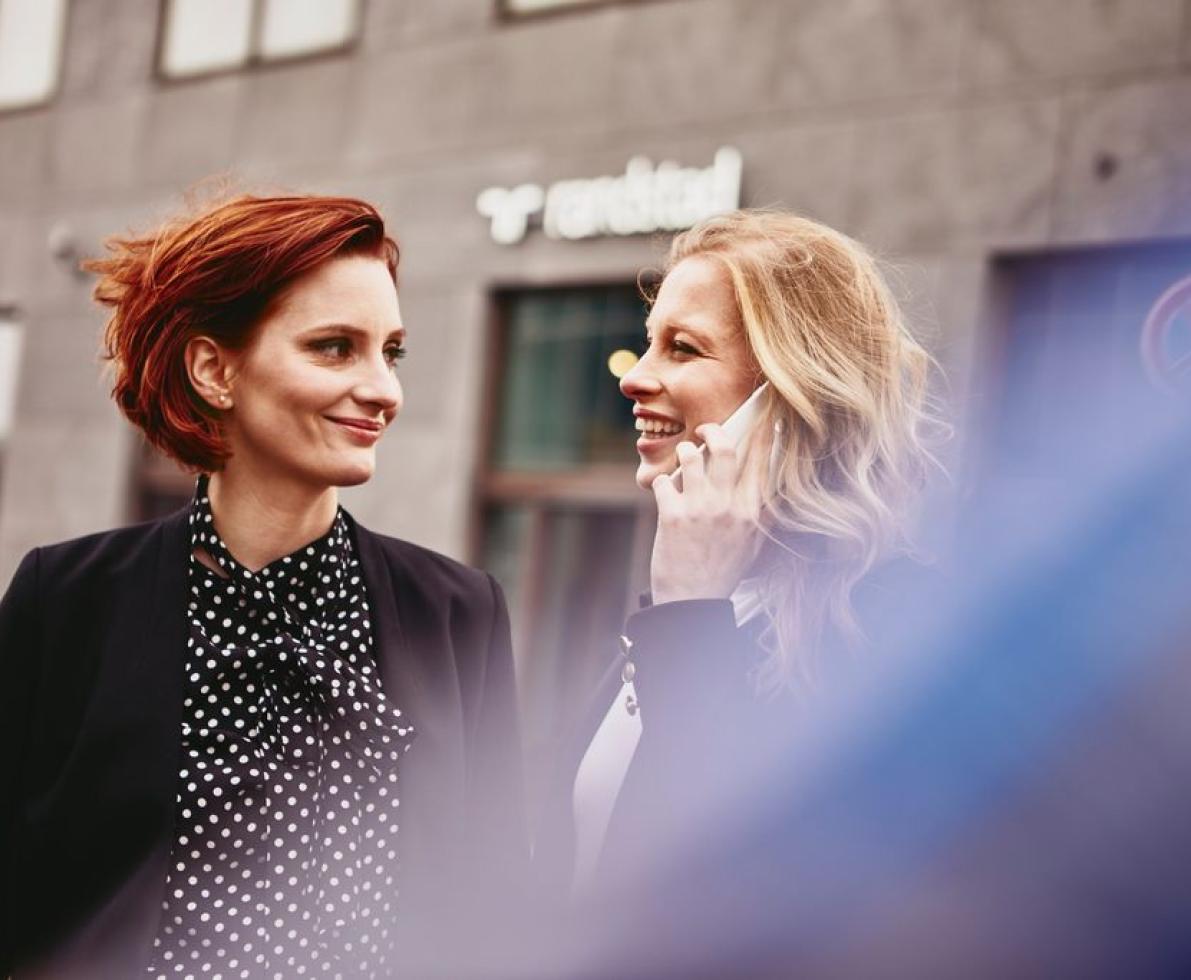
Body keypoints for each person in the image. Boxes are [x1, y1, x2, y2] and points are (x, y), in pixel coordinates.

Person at [0, 194, 526, 979]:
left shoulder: (457, 611)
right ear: (215, 369)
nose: (384, 390)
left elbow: (497, 907)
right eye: (335, 348)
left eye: (393, 352)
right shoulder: (66, 599)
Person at [539, 209, 943, 905]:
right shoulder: (688, 600)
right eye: (647, 344)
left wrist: (691, 609)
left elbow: (738, 880)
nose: (633, 379)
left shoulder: (898, 619)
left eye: (683, 349)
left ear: (789, 394)